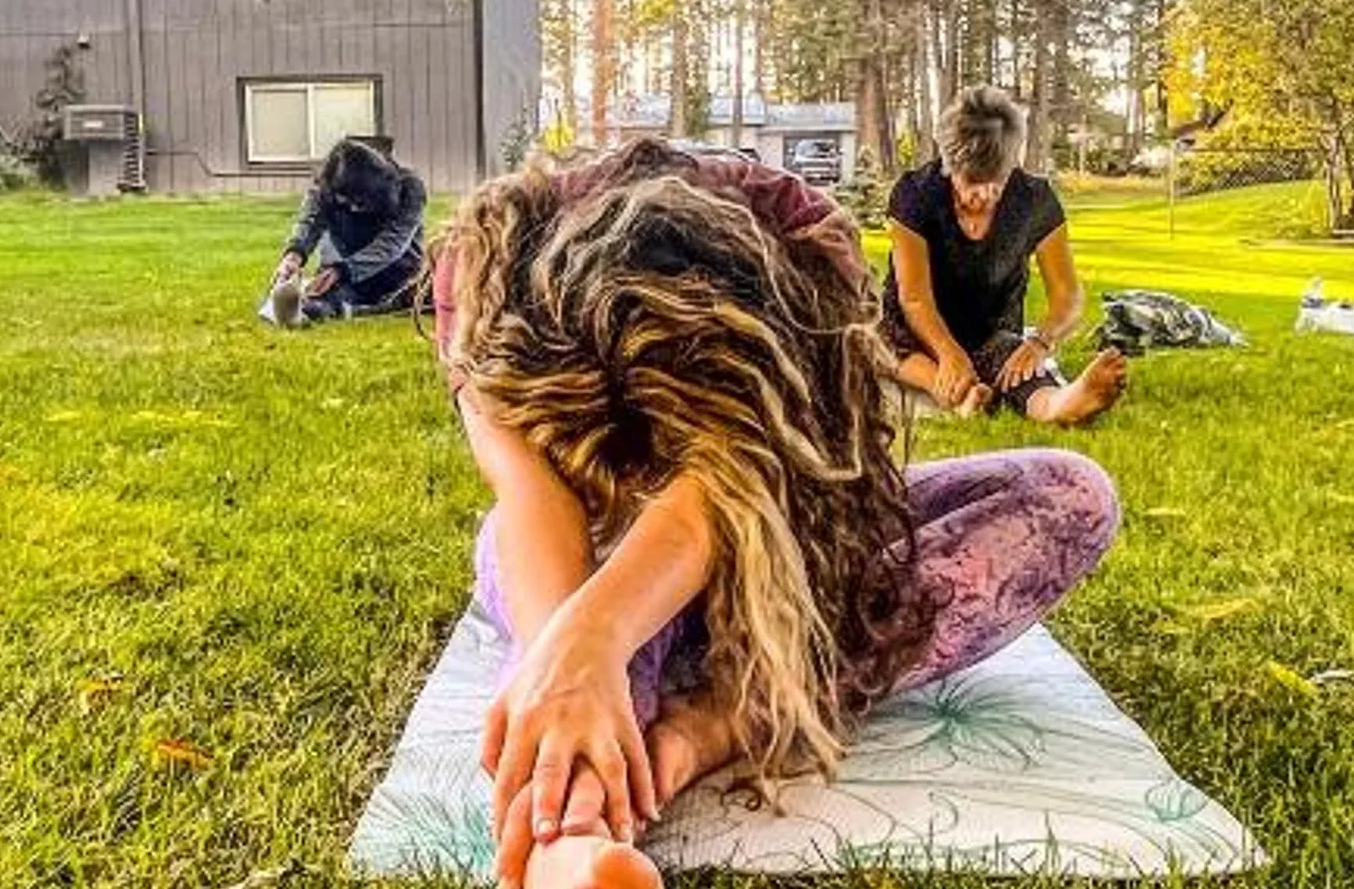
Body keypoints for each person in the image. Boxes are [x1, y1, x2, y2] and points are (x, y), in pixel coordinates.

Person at [428, 139, 1121, 889]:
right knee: (579, 625)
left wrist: (633, 666)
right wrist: (568, 655)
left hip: (777, 525)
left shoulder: (807, 249)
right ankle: (571, 838)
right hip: (581, 543)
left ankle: (714, 725)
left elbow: (726, 482)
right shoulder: (484, 266)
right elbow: (532, 492)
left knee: (1070, 495)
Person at [882, 86, 1128, 424]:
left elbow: (1068, 295)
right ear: (950, 165)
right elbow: (914, 299)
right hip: (917, 331)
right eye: (970, 183)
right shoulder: (915, 194)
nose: (982, 196)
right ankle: (963, 395)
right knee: (878, 347)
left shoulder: (1035, 199)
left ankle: (1061, 404)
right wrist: (949, 352)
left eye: (995, 184)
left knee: (1016, 360)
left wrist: (1041, 342)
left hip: (992, 333)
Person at [266, 139, 426, 326]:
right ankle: (308, 309)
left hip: (398, 272)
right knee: (320, 299)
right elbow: (310, 222)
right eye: (346, 202)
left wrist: (343, 270)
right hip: (344, 274)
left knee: (411, 295)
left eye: (360, 202)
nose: (353, 208)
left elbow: (393, 243)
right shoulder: (326, 187)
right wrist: (294, 256)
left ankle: (367, 308)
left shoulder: (410, 188)